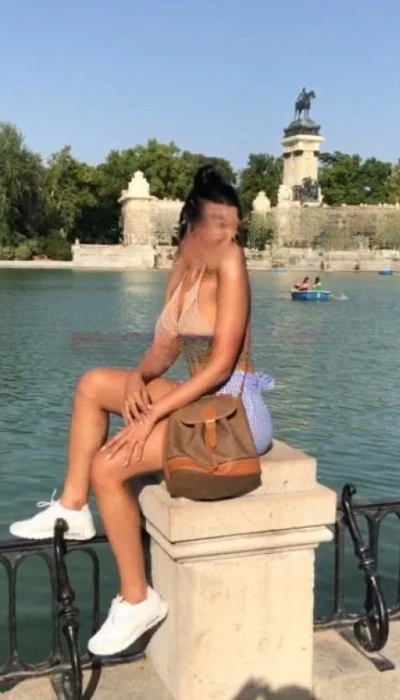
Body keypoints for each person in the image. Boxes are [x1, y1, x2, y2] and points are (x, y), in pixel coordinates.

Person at [9, 165, 274, 656]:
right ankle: (74, 508)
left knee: (108, 465)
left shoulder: (231, 261)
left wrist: (152, 414)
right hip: (197, 397)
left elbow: (220, 365)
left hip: (236, 410)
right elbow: (167, 346)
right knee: (92, 385)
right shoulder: (185, 263)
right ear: (193, 223)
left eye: (232, 225)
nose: (226, 233)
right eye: (217, 223)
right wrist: (139, 377)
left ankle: (137, 599)